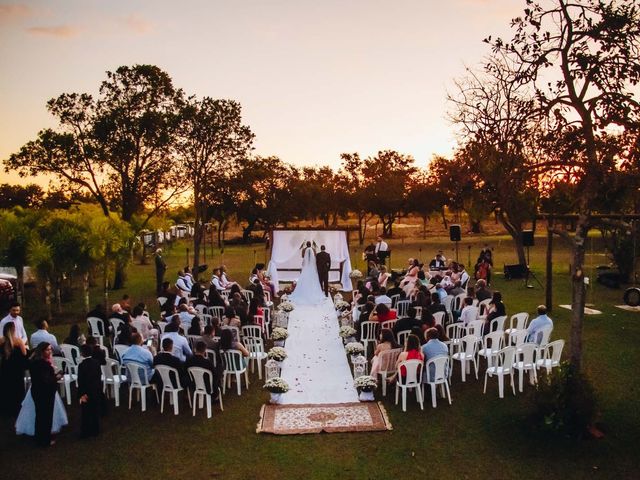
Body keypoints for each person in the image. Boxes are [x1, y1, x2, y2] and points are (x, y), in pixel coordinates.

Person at [19, 342, 67, 447]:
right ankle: (45, 440)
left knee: (40, 415)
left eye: (50, 349)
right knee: (46, 416)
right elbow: (47, 380)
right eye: (47, 350)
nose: (50, 351)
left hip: (36, 391)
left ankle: (39, 438)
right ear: (42, 351)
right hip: (45, 393)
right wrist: (57, 377)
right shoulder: (43, 364)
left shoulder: (33, 362)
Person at [0, 322, 28, 417]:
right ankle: (16, 409)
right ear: (13, 330)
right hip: (17, 369)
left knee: (6, 387)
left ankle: (5, 408)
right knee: (17, 388)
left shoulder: (1, 341)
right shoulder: (18, 341)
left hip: (5, 368)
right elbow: (24, 355)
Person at [288, 241, 326, 305]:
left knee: (304, 279)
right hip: (312, 268)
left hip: (306, 267)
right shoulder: (313, 249)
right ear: (310, 245)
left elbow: (303, 256)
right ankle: (312, 292)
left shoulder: (304, 249)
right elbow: (315, 256)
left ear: (306, 244)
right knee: (313, 280)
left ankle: (304, 292)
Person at [77, 344, 103, 439]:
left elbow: (81, 381)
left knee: (86, 412)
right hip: (95, 390)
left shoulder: (81, 366)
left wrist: (82, 393)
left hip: (86, 391)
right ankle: (96, 430)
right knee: (95, 411)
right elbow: (98, 377)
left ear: (82, 353)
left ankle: (86, 431)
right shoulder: (96, 363)